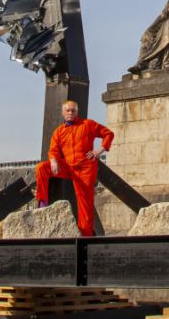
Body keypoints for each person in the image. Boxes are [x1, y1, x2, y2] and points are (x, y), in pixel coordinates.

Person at [34, 100, 114, 237]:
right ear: (63, 113)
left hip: (85, 168)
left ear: (77, 112)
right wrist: (53, 160)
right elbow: (53, 150)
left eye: (73, 110)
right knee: (42, 167)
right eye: (68, 110)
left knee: (84, 201)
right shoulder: (59, 132)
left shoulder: (87, 125)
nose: (70, 113)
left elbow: (108, 134)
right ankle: (42, 202)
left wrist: (99, 150)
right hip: (68, 166)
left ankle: (86, 234)